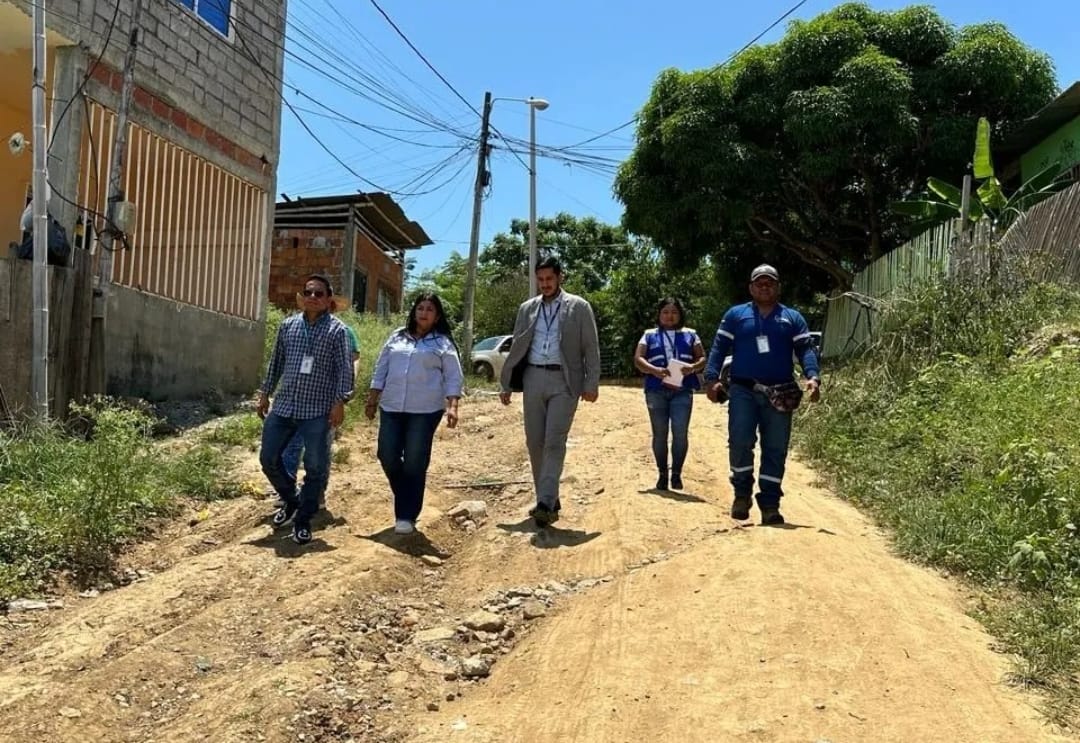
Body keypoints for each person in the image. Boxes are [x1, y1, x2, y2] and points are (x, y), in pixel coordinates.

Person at [704, 264, 821, 525]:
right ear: (751, 288)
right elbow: (719, 347)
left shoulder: (792, 318)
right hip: (743, 389)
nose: (765, 287)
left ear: (778, 287)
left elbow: (805, 349)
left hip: (780, 392)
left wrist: (813, 376)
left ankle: (770, 504)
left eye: (770, 283)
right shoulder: (736, 315)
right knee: (740, 440)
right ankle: (741, 494)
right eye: (760, 283)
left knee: (776, 447)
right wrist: (711, 379)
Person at [499, 256, 601, 526]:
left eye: (549, 279)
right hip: (533, 377)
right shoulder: (527, 309)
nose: (545, 284)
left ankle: (544, 503)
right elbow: (517, 346)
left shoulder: (579, 307)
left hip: (565, 380)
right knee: (535, 442)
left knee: (554, 441)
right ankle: (548, 497)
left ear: (560, 277)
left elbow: (591, 347)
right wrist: (506, 383)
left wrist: (591, 383)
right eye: (540, 280)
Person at [257, 274, 355, 545]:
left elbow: (344, 369)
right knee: (268, 458)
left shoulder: (337, 331)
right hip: (285, 405)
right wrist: (265, 393)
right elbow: (276, 362)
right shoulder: (288, 326)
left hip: (317, 410)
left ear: (328, 299)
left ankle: (303, 520)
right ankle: (291, 499)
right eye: (308, 292)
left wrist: (340, 402)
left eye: (319, 293)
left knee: (315, 467)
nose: (313, 297)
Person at [365, 292, 463, 535]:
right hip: (391, 406)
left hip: (425, 410)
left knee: (414, 461)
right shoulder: (397, 336)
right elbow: (381, 368)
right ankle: (407, 494)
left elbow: (453, 376)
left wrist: (452, 406)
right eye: (420, 308)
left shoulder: (442, 343)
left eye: (430, 309)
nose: (424, 313)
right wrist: (372, 398)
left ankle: (406, 514)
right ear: (414, 311)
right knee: (386, 454)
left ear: (437, 316)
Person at [280, 294, 361, 502]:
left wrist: (346, 393)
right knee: (292, 443)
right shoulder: (295, 327)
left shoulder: (343, 331)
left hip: (325, 400)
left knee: (319, 449)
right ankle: (287, 491)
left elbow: (353, 361)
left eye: (328, 303)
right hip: (296, 398)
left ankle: (316, 494)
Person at [633, 297, 706, 491]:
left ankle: (676, 474)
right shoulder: (649, 335)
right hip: (656, 390)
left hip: (682, 390)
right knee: (660, 433)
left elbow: (702, 358)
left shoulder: (691, 334)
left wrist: (692, 367)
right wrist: (654, 370)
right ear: (659, 315)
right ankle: (662, 474)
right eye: (665, 312)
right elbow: (638, 359)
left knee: (680, 433)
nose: (669, 316)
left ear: (680, 315)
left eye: (674, 312)